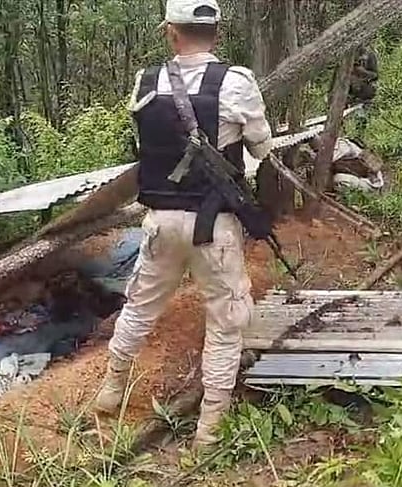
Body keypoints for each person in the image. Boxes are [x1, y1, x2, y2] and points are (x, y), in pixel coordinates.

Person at [93, 0, 273, 449]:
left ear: (171, 32)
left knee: (139, 307)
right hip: (214, 226)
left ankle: (110, 391)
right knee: (226, 319)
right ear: (216, 31)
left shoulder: (145, 82)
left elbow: (144, 141)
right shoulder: (237, 81)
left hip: (159, 221)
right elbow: (262, 146)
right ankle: (209, 431)